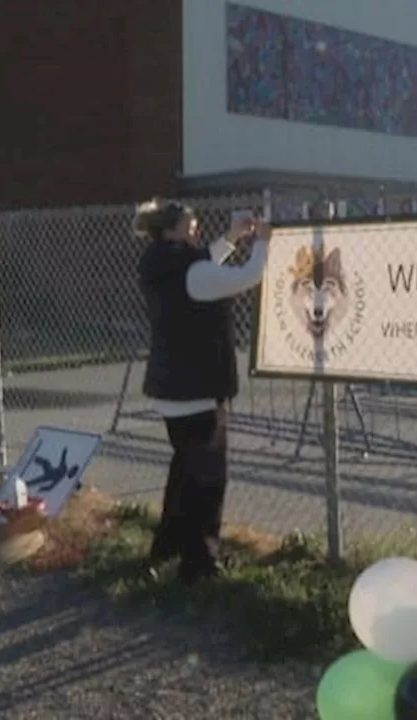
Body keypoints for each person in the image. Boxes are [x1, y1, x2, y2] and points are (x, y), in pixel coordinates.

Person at [134, 198, 271, 584]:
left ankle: (166, 548)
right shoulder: (191, 271)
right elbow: (247, 276)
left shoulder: (161, 262)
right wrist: (263, 241)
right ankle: (199, 564)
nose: (197, 230)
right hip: (197, 391)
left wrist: (232, 236)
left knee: (184, 473)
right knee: (207, 482)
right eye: (192, 225)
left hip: (172, 390)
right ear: (173, 229)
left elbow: (203, 265)